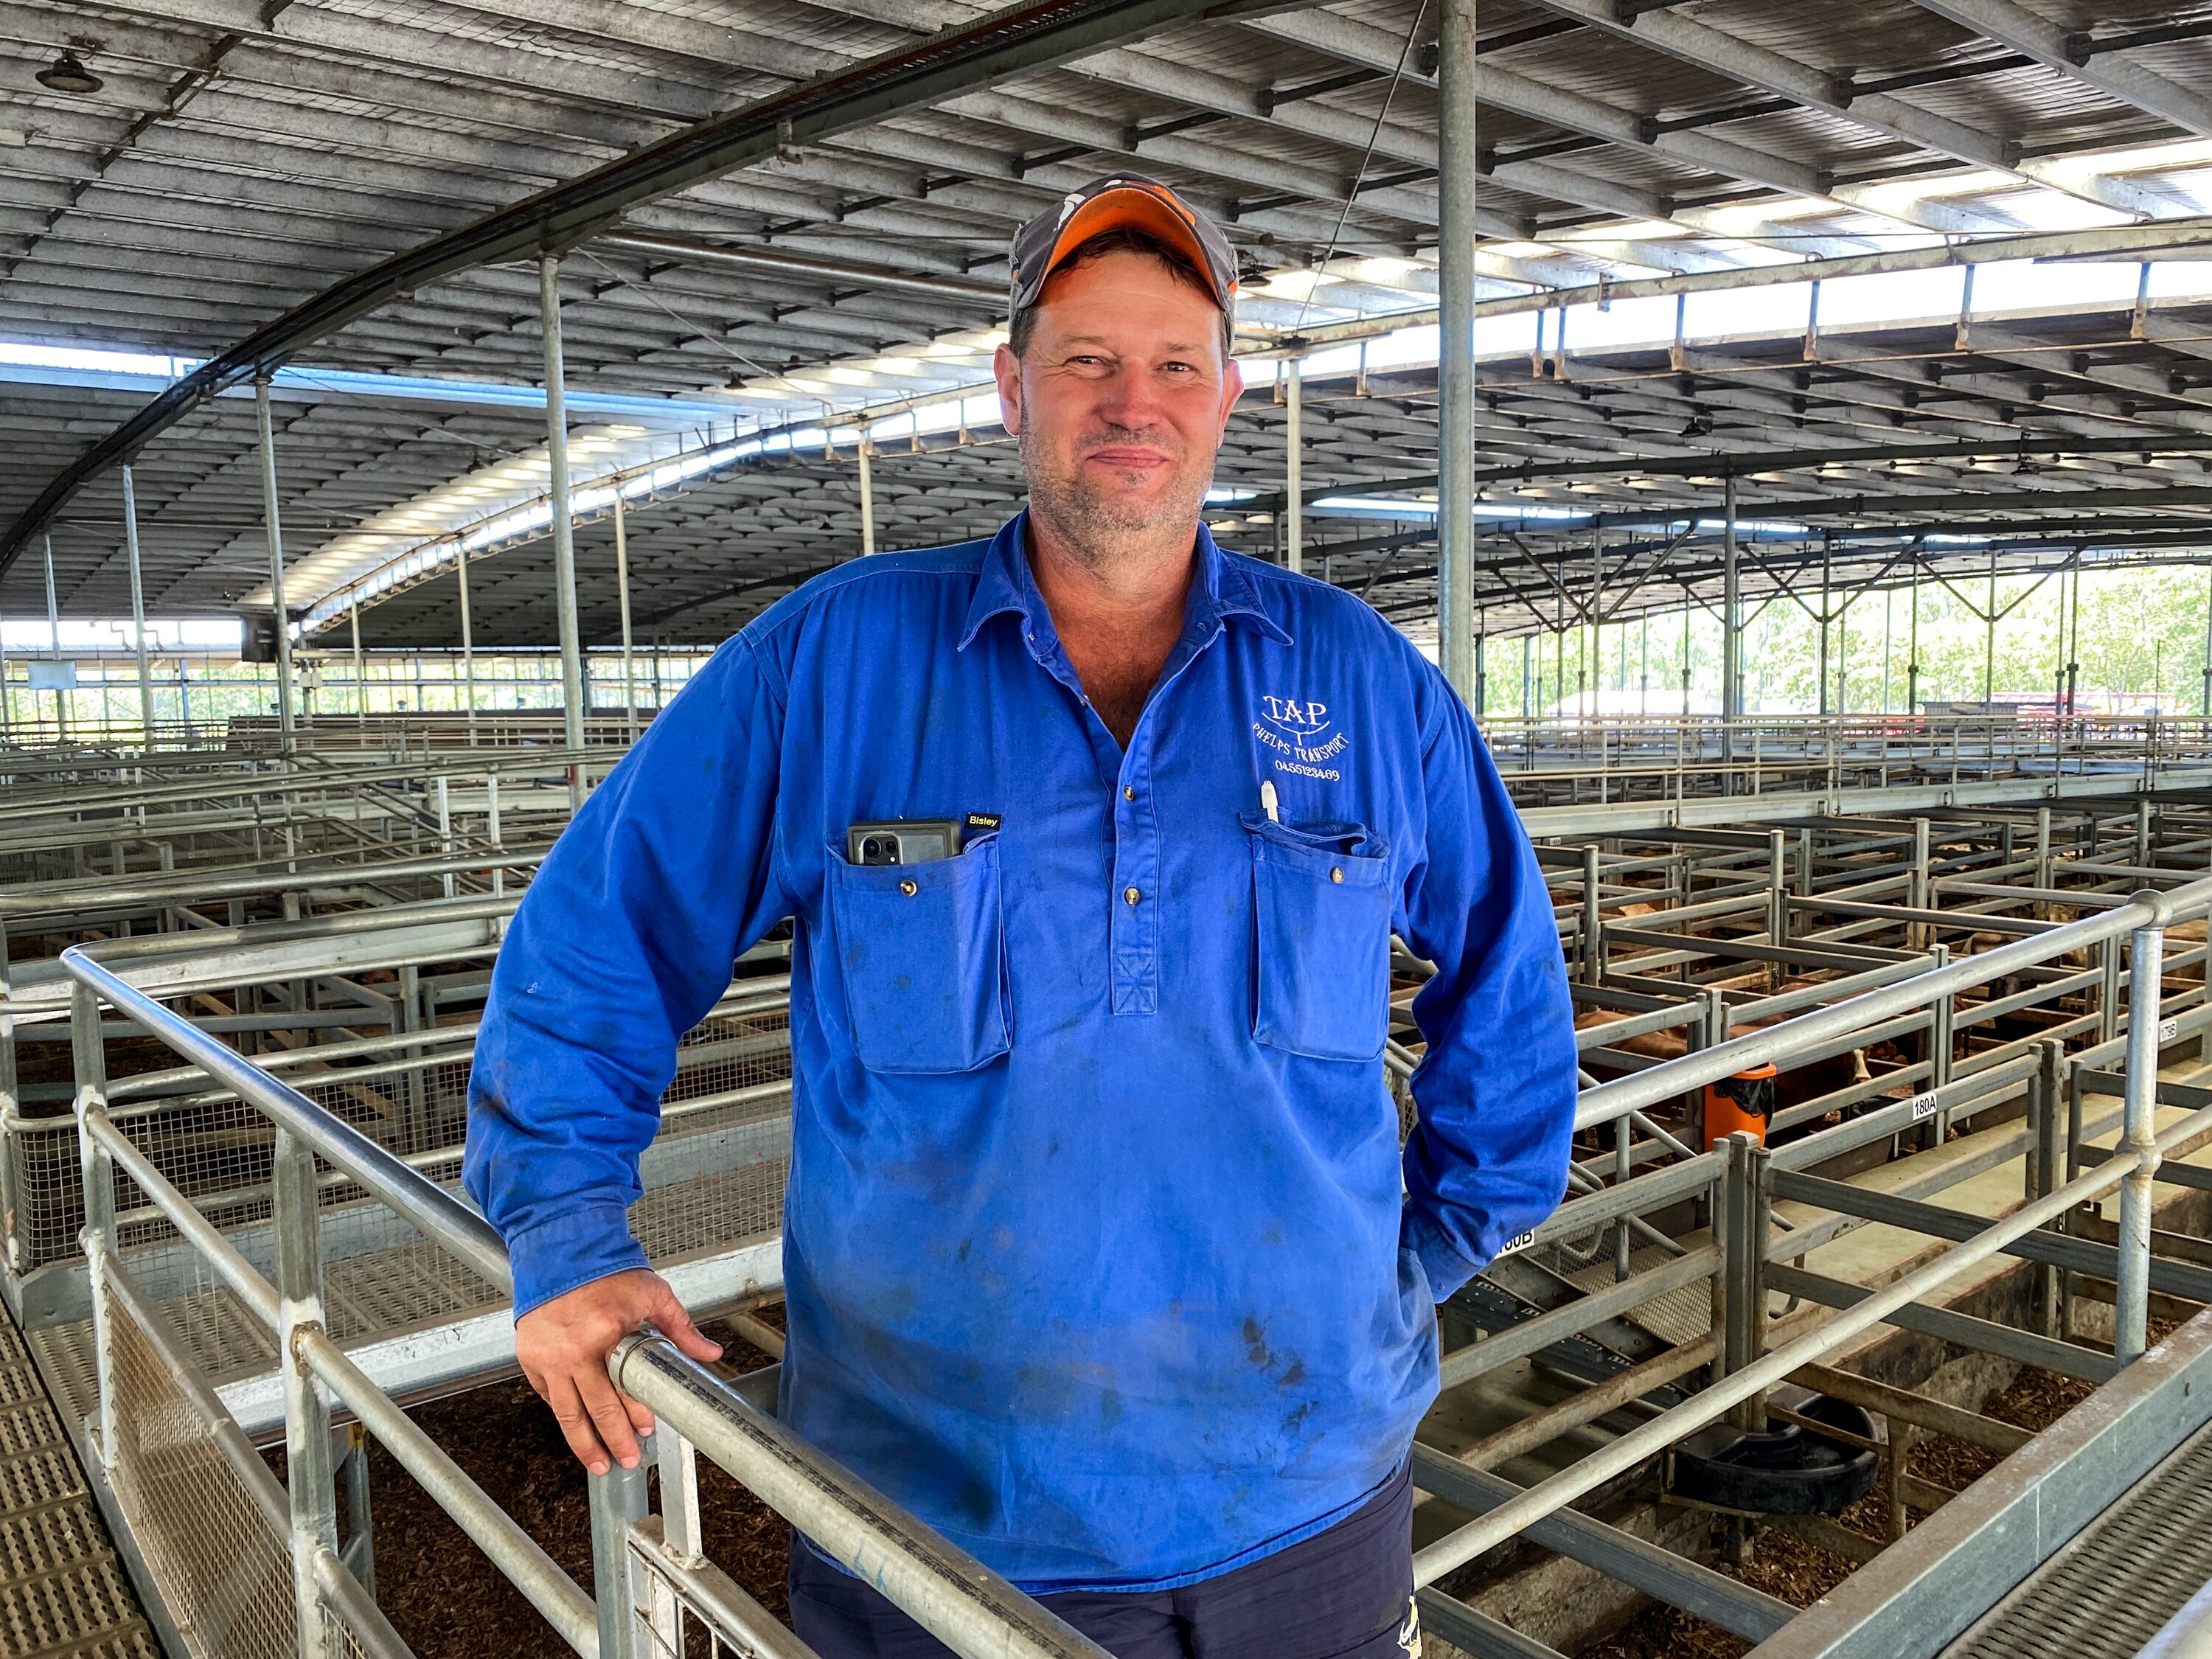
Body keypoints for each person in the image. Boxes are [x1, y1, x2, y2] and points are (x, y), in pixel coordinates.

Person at [465, 174, 1576, 1659]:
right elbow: (601, 935)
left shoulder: (1364, 682)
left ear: (1227, 395)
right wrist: (566, 1228)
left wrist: (1410, 1263)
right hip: (933, 1523)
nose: (1137, 402)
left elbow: (1508, 985)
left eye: (1177, 363)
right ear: (1012, 387)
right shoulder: (839, 659)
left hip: (1310, 1496)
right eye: (1088, 361)